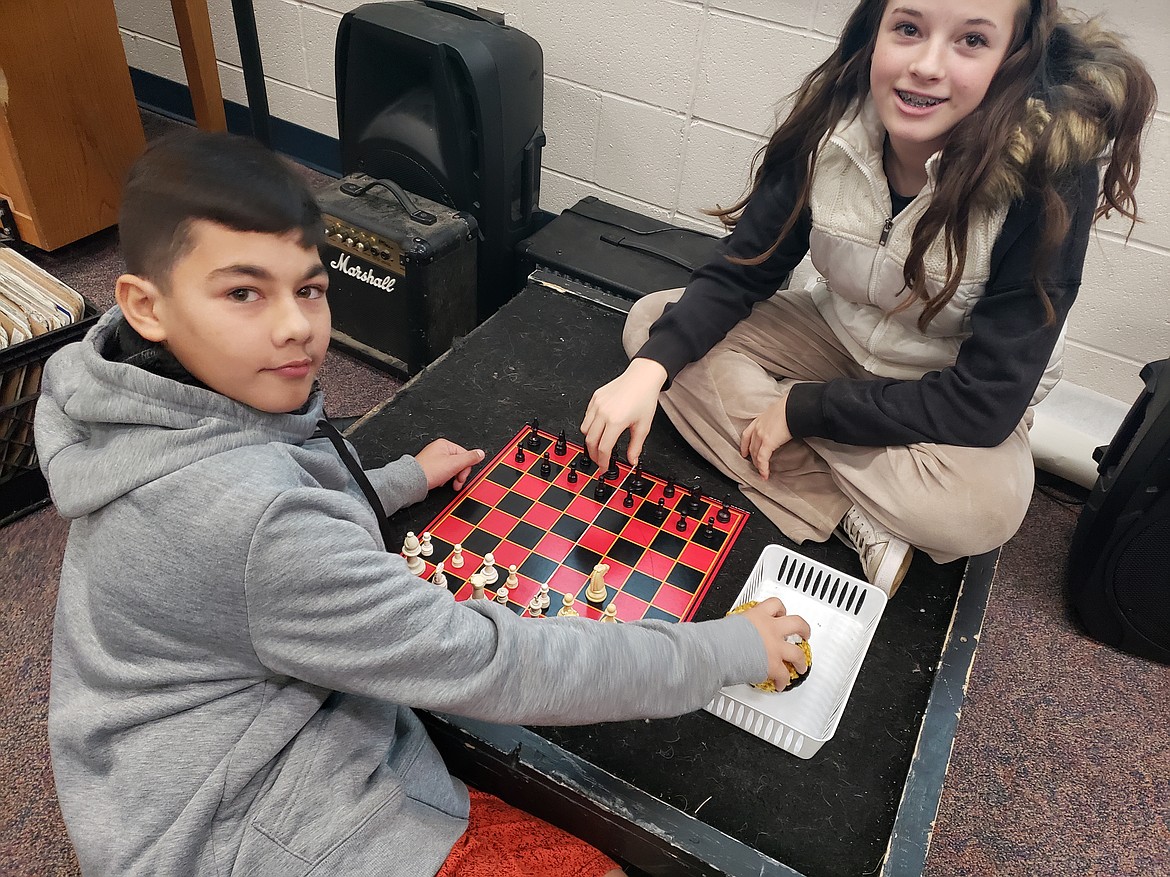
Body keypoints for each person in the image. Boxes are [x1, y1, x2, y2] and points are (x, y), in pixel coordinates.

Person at [34, 130, 812, 877]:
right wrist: (725, 650)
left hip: (141, 771)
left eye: (309, 288)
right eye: (243, 291)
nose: (295, 327)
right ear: (145, 303)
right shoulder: (256, 527)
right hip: (229, 830)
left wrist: (399, 476)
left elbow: (264, 511)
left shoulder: (138, 396)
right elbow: (497, 662)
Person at [582, 0, 1156, 595]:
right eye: (908, 29)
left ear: (1014, 60)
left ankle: (778, 429)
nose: (927, 65)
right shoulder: (830, 126)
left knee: (986, 509)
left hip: (949, 383)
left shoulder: (1050, 179)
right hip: (836, 333)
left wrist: (806, 409)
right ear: (874, 34)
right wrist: (649, 371)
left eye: (971, 42)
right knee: (654, 327)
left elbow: (986, 403)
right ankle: (850, 510)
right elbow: (743, 271)